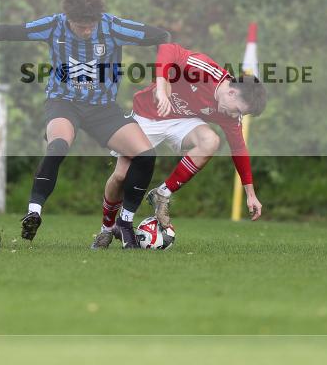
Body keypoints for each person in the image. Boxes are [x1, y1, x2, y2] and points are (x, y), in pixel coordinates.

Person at [0, 0, 170, 248]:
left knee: (145, 155)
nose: (86, 31)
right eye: (80, 26)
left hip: (103, 109)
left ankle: (124, 223)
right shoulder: (53, 26)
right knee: (58, 145)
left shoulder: (112, 27)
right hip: (63, 103)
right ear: (69, 18)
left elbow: (162, 36)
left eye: (91, 26)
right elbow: (15, 31)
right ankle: (34, 212)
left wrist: (163, 79)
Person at [90, 42, 267, 249]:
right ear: (232, 93)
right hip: (148, 115)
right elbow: (167, 48)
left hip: (183, 121)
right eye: (238, 110)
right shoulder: (204, 70)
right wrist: (162, 88)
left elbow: (239, 149)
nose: (236, 115)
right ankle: (107, 228)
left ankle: (161, 194)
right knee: (121, 176)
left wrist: (250, 194)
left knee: (210, 141)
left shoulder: (229, 114)